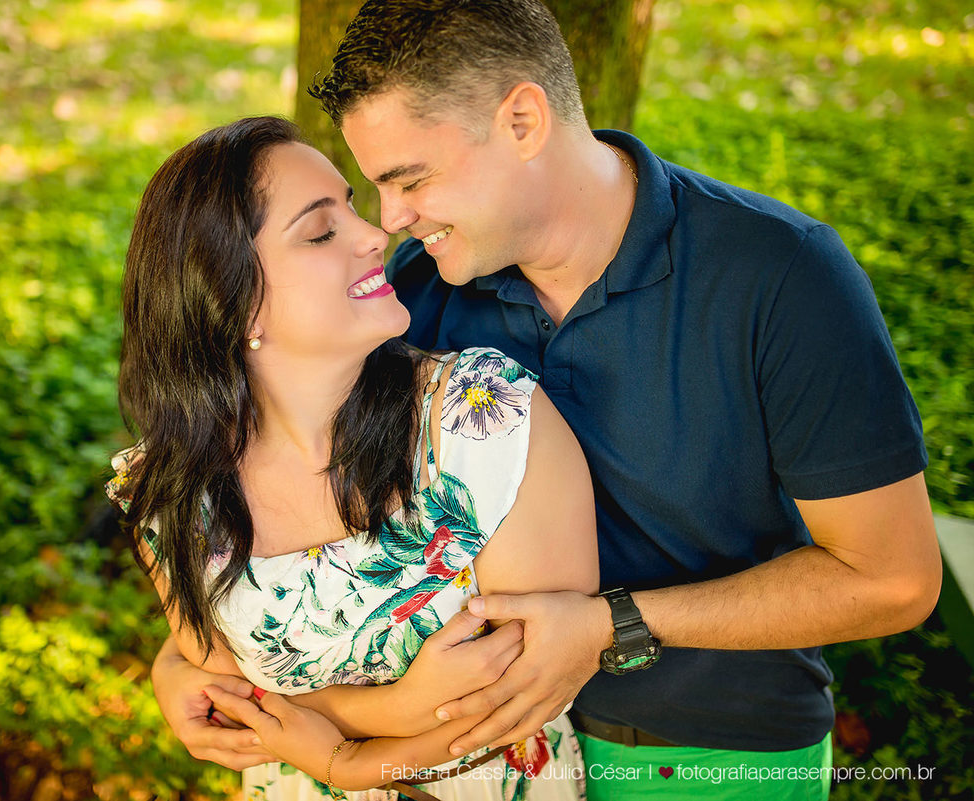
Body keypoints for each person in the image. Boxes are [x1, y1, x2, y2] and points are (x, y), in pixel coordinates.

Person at [150, 2, 942, 799]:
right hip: (462, 748)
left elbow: (893, 579)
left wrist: (613, 621)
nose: (390, 222)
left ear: (523, 120)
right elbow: (293, 516)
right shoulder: (417, 298)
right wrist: (181, 664)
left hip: (701, 745)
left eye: (411, 179)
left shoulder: (778, 276)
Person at [107, 115, 598, 801]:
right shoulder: (171, 491)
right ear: (235, 301)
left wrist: (348, 762)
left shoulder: (484, 417)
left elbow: (526, 689)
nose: (376, 235)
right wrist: (385, 711)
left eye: (352, 208)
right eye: (320, 230)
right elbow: (225, 695)